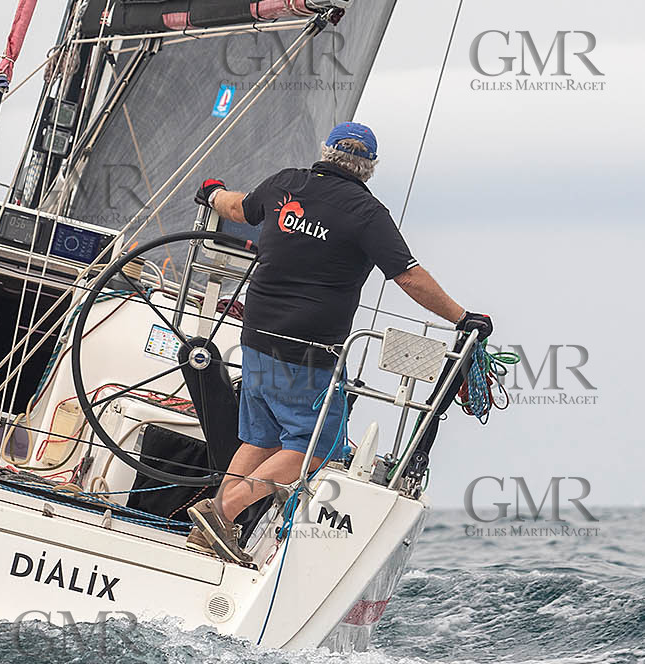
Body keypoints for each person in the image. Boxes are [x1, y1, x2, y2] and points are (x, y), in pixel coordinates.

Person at [182, 122, 492, 563]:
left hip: (256, 337)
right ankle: (221, 513)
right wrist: (463, 317)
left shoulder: (284, 183)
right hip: (307, 351)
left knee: (260, 437)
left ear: (326, 153)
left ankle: (211, 533)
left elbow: (237, 208)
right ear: (369, 168)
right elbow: (407, 275)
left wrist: (211, 192)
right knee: (318, 446)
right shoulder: (365, 212)